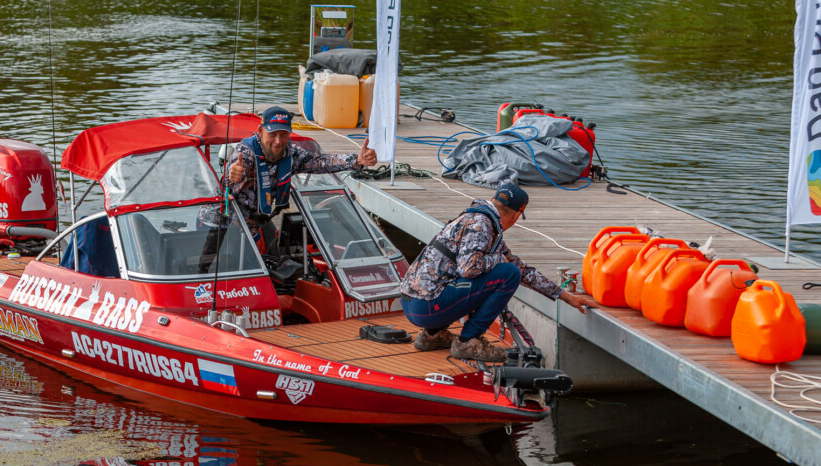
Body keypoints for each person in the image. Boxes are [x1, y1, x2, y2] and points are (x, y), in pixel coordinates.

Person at [399, 182, 598, 362]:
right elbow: (469, 268)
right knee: (508, 274)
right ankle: (468, 340)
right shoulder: (482, 224)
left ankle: (432, 336)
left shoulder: (475, 218)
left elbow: (522, 268)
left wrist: (564, 296)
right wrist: (499, 259)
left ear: (493, 200)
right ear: (516, 215)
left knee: (506, 268)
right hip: (427, 307)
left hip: (412, 305)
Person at [200, 106, 377, 258]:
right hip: (219, 223)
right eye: (273, 134)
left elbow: (320, 162)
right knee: (219, 268)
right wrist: (232, 177)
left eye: (283, 135)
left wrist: (357, 161)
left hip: (255, 223)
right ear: (261, 132)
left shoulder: (291, 154)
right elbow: (224, 186)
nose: (278, 142)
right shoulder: (244, 154)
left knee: (271, 260)